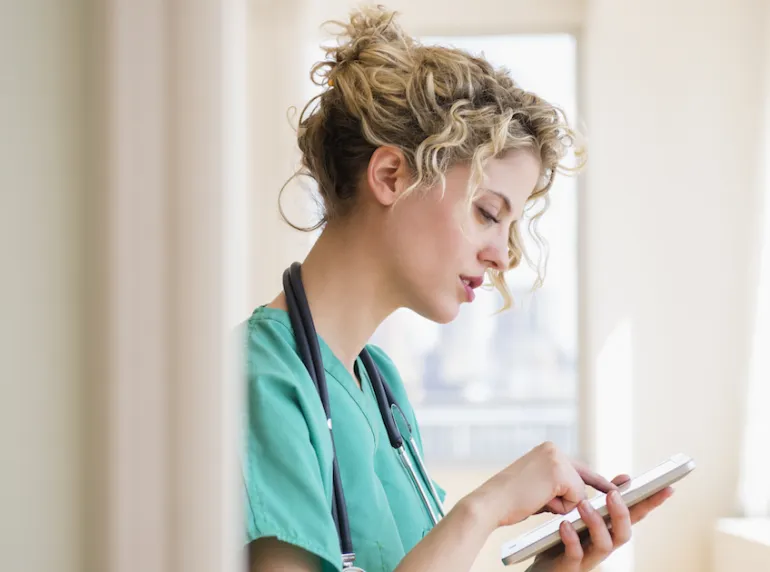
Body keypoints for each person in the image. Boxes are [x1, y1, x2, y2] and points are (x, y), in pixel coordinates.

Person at [242, 6, 673, 572]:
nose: (502, 255)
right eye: (488, 213)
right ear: (391, 176)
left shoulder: (379, 386)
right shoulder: (260, 381)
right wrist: (484, 508)